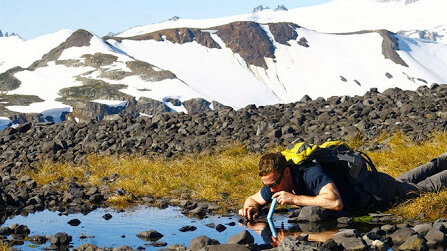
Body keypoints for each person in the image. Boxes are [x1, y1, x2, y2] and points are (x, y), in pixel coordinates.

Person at [239, 152, 447, 219]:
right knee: (418, 174)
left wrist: (295, 199)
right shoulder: (275, 184)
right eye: (267, 185)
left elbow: (335, 202)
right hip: (373, 183)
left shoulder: (310, 174)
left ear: (286, 172)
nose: (271, 189)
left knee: (423, 189)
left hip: (376, 191)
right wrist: (250, 207)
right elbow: (253, 199)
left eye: (274, 183)